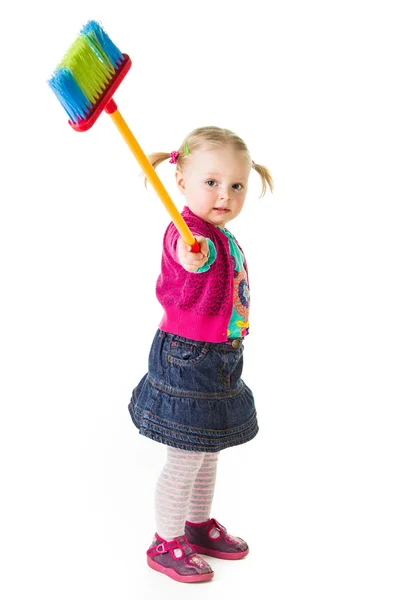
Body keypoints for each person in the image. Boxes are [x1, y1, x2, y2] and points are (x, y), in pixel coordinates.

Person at [128, 126, 273, 582]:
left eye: (236, 185)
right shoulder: (190, 232)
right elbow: (189, 254)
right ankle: (165, 541)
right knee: (187, 456)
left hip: (221, 358)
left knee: (208, 451)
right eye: (211, 182)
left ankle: (196, 526)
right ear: (182, 183)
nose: (225, 194)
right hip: (187, 358)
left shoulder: (220, 233)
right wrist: (194, 256)